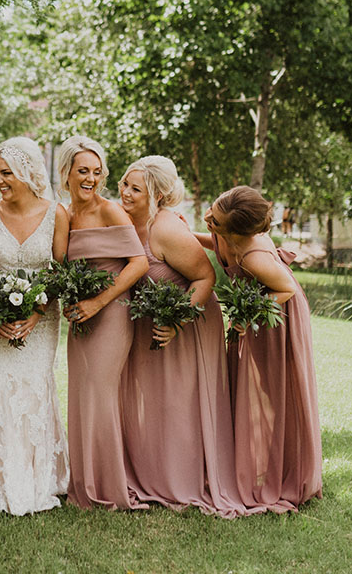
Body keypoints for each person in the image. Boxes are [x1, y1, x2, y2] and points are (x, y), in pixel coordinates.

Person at [118, 157, 245, 516]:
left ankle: (184, 478)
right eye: (125, 183)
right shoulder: (128, 219)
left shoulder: (166, 230)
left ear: (156, 194)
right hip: (152, 325)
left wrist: (176, 321)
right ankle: (153, 472)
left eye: (135, 188)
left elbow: (206, 278)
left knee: (179, 403)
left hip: (188, 324)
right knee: (156, 403)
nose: (125, 192)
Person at [0, 137, 70, 516]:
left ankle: (38, 477)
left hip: (42, 320)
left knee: (34, 386)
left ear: (27, 172)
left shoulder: (58, 213)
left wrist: (35, 315)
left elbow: (60, 273)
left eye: (5, 173)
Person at [206, 185, 322, 513]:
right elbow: (215, 246)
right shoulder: (227, 231)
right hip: (263, 307)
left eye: (214, 221)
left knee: (275, 393)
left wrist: (248, 313)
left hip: (277, 317)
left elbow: (286, 289)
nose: (208, 220)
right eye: (213, 210)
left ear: (235, 231)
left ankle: (287, 471)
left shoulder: (254, 257)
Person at [58, 135, 148, 510]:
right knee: (81, 394)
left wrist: (97, 301)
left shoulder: (111, 210)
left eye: (97, 172)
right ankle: (82, 483)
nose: (91, 178)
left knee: (99, 392)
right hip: (81, 317)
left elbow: (139, 262)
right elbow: (60, 265)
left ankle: (108, 487)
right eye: (83, 171)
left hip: (111, 313)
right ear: (67, 173)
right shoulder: (64, 214)